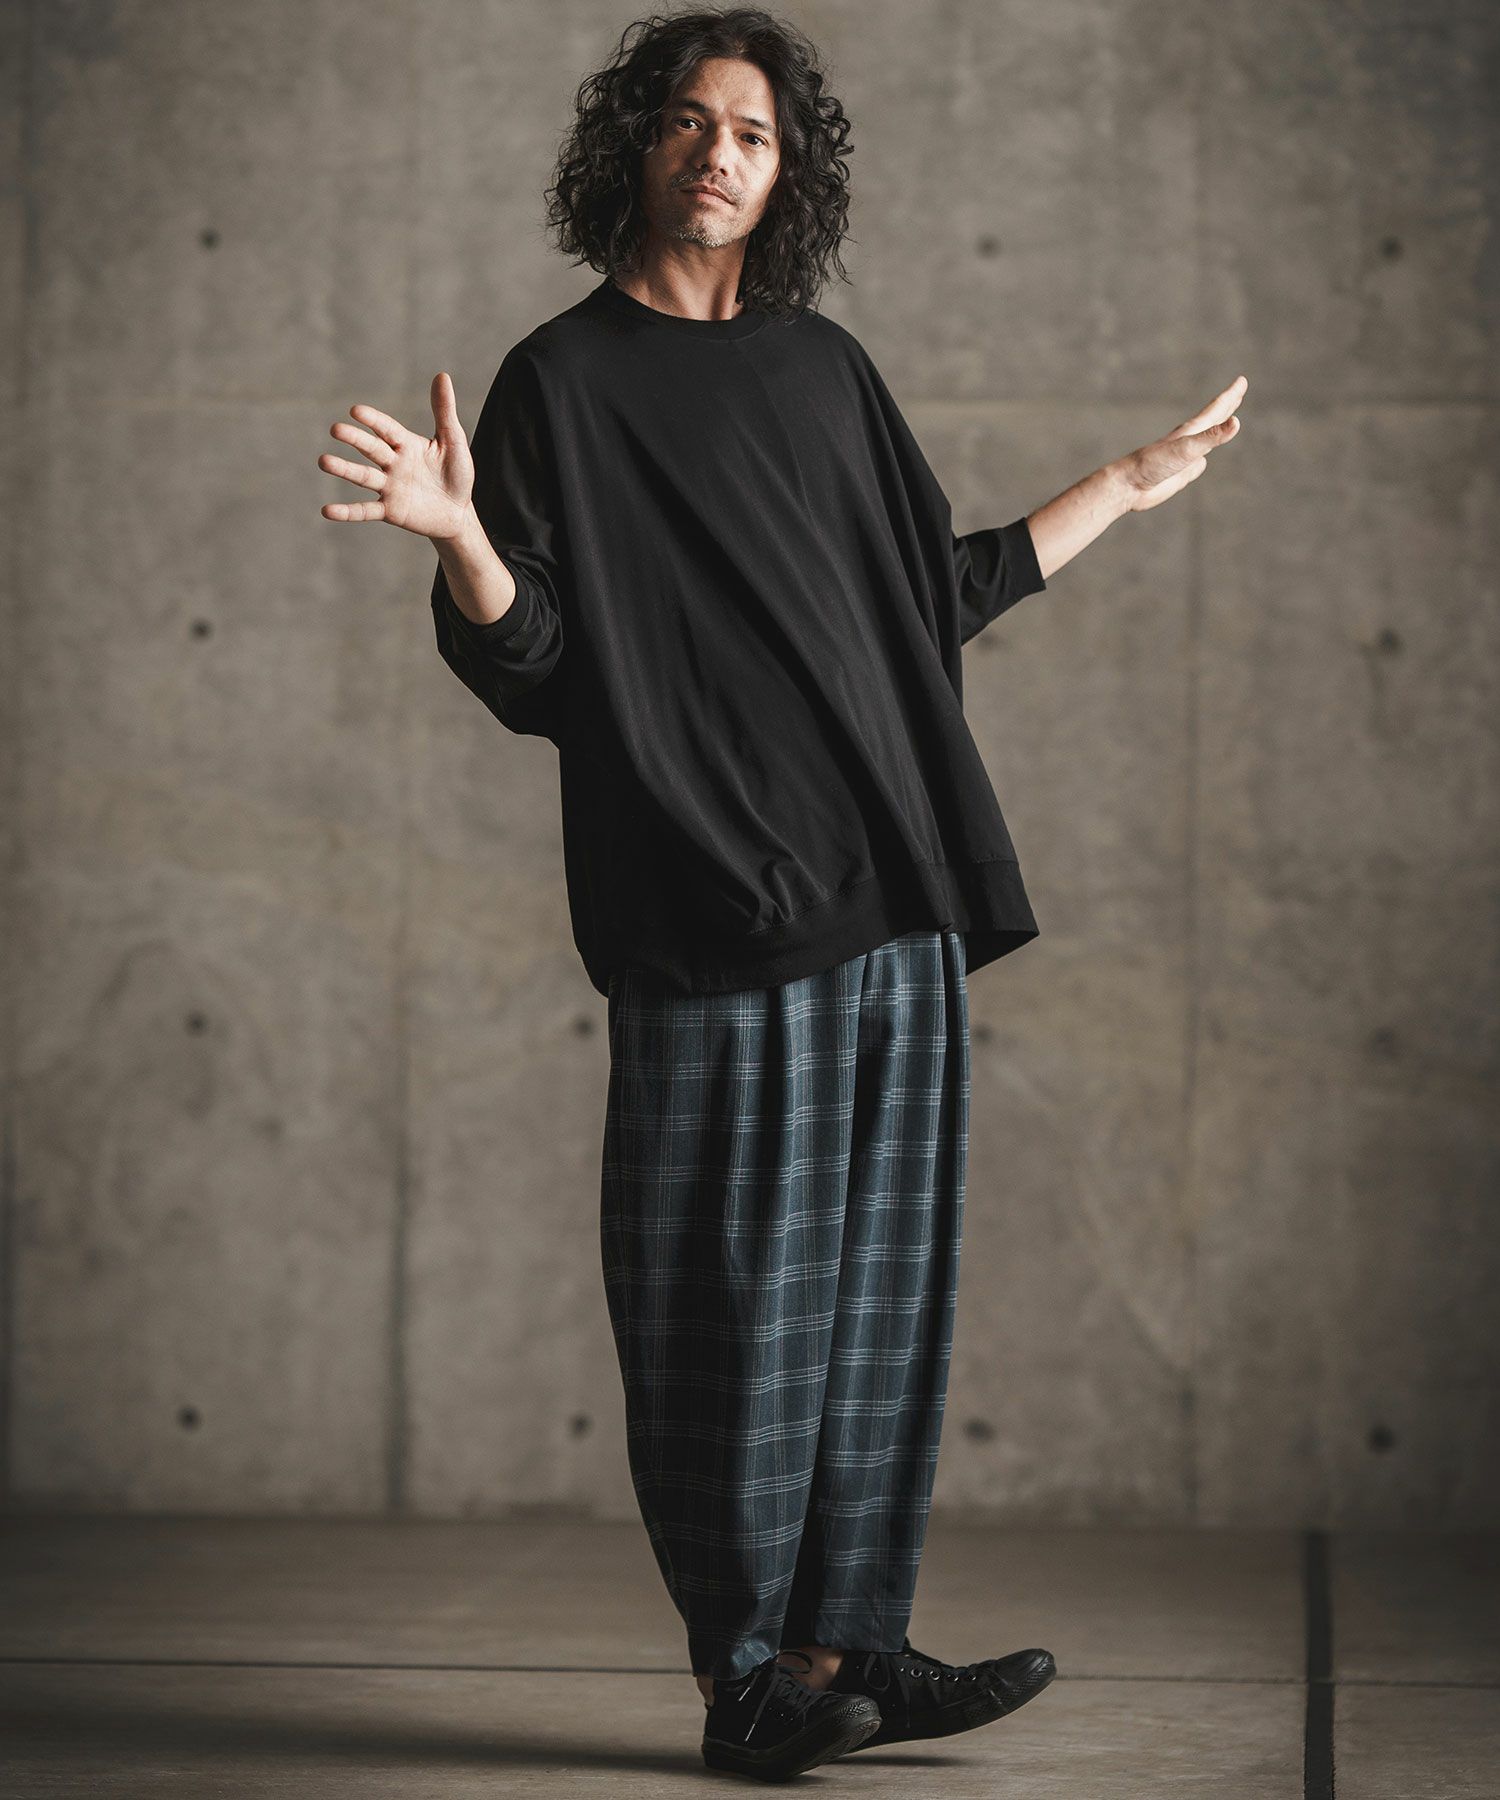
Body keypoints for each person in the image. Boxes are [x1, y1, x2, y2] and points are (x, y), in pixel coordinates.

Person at [318, 6, 1245, 1781]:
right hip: (712, 910)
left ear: (784, 171)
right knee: (727, 1307)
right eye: (688, 120)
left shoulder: (825, 371)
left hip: (894, 898)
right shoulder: (560, 383)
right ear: (637, 147)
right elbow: (540, 664)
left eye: (752, 131)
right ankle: (747, 1677)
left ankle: (846, 1649)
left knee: (883, 1301)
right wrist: (459, 537)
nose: (719, 153)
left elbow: (929, 599)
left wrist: (1131, 484)